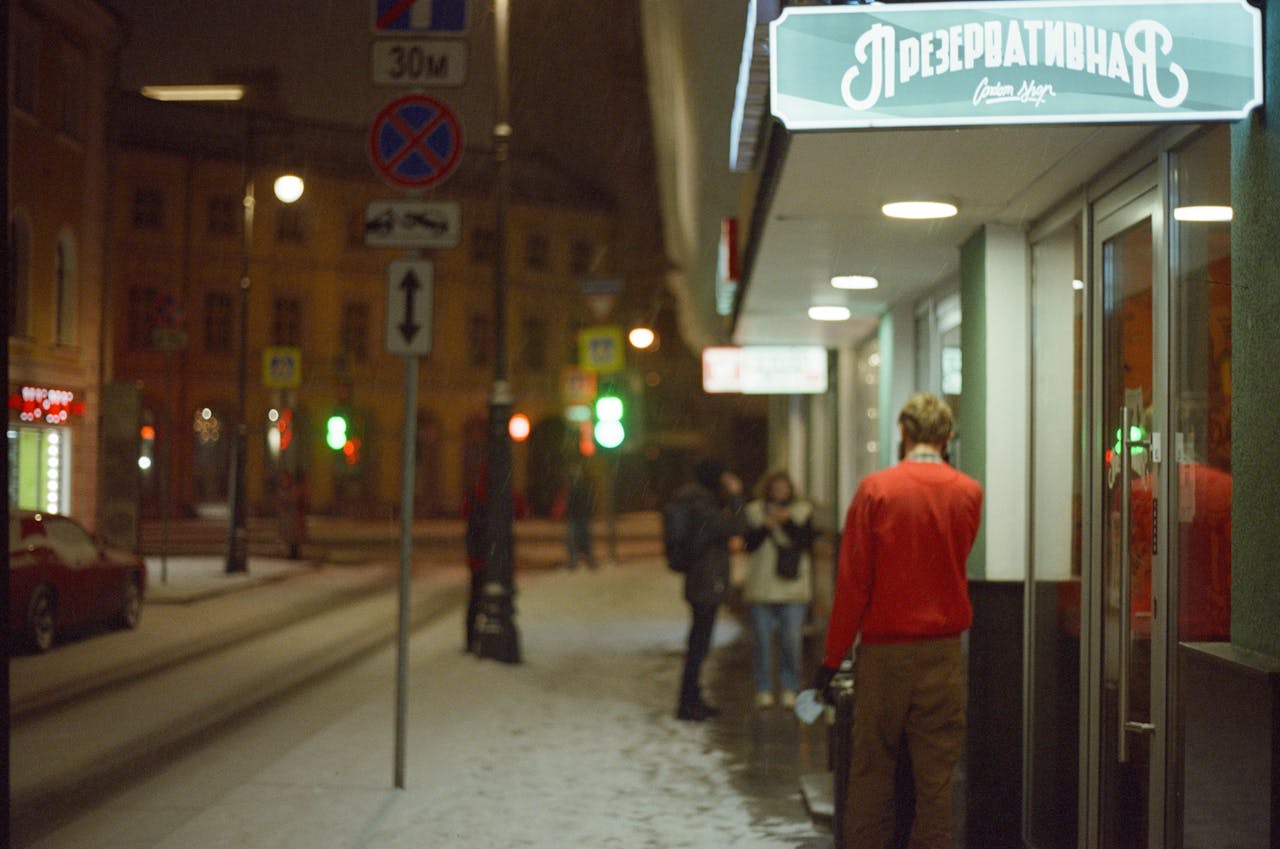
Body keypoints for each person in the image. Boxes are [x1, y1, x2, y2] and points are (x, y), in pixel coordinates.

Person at [812, 392, 983, 849]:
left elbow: (854, 583)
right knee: (936, 778)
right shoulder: (969, 492)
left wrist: (832, 658)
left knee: (872, 770)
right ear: (948, 437)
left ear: (903, 432)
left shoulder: (876, 490)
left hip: (884, 652)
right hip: (943, 651)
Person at [672, 458, 747, 721]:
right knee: (699, 645)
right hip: (705, 581)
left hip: (700, 580)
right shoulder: (702, 506)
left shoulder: (695, 501)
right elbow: (737, 527)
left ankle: (692, 698)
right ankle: (688, 702)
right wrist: (736, 496)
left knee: (698, 643)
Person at [742, 469, 815, 709]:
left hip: (793, 589)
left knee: (790, 642)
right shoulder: (754, 511)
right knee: (761, 643)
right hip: (761, 587)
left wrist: (788, 523)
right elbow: (747, 544)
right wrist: (765, 526)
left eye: (784, 488)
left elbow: (806, 541)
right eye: (775, 488)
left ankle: (789, 687)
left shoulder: (802, 511)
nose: (780, 492)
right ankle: (762, 688)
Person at [564, 462, 597, 570]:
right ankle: (587, 560)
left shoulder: (577, 488)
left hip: (577, 516)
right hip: (580, 515)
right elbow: (586, 501)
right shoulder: (582, 487)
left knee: (575, 538)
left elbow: (573, 502)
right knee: (583, 538)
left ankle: (577, 560)